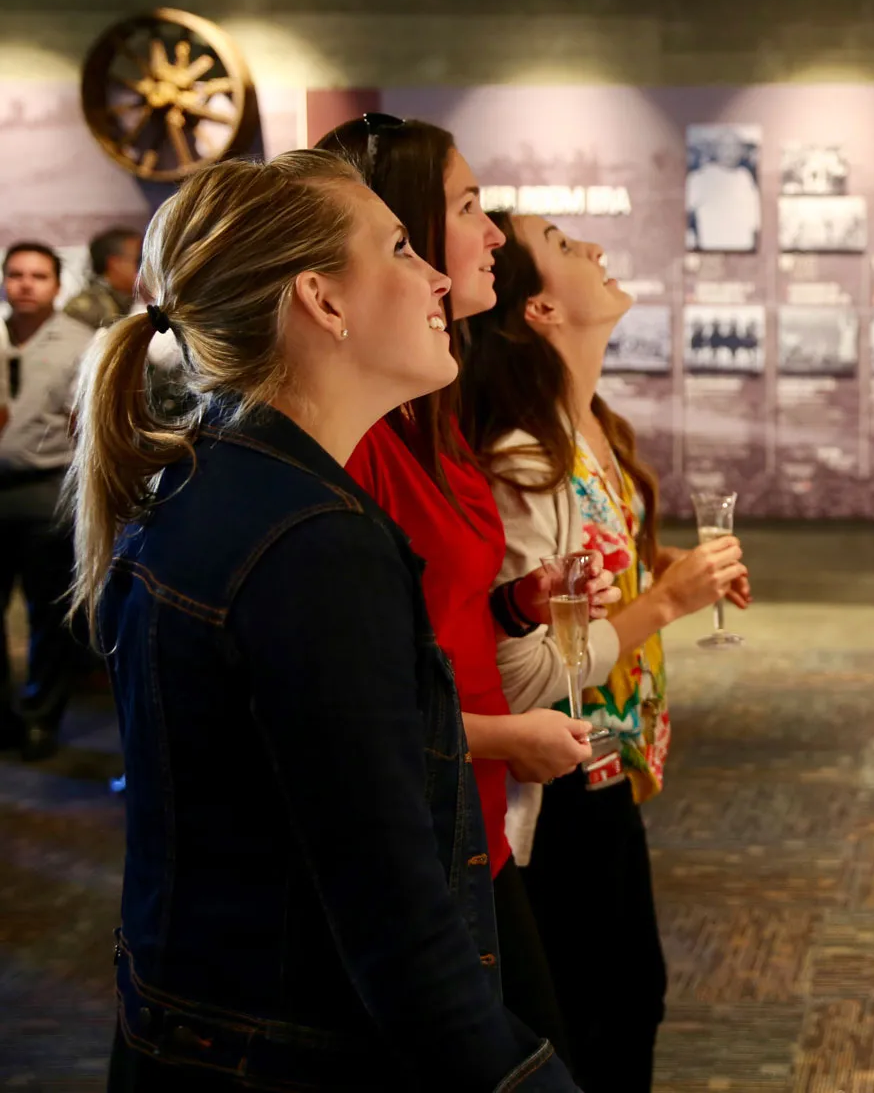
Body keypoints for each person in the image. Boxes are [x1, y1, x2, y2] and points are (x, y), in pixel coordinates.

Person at [69, 151, 578, 1090]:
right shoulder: (312, 541)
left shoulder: (218, 488)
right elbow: (396, 918)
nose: (433, 275)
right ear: (322, 301)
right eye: (396, 246)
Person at [316, 113, 594, 1069]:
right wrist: (506, 735)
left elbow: (426, 625)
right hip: (427, 828)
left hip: (473, 816)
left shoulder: (429, 414)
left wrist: (518, 604)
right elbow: (349, 711)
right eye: (467, 208)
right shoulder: (354, 451)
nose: (488, 239)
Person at [464, 212, 750, 1091]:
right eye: (561, 243)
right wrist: (668, 601)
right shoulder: (527, 457)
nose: (592, 248)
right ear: (542, 309)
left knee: (629, 996)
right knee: (601, 1009)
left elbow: (592, 574)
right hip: (562, 776)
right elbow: (531, 671)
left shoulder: (589, 428)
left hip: (608, 759)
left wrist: (666, 568)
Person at [0, 240, 97, 760]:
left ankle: (41, 719)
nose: (25, 284)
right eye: (15, 274)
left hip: (46, 490)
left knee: (47, 613)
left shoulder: (78, 343)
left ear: (58, 285)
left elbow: (85, 425)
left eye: (38, 275)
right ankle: (3, 719)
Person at [63, 226, 141, 330]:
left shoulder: (139, 300)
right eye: (139, 260)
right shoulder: (84, 309)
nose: (148, 267)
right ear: (114, 263)